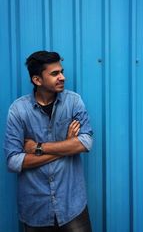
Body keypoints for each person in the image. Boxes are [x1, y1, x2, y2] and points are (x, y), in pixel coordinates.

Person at [4, 50, 93, 232]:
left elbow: (85, 142)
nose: (63, 77)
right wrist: (67, 145)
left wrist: (37, 147)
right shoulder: (18, 110)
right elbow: (13, 162)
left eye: (61, 71)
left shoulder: (73, 101)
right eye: (55, 74)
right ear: (37, 80)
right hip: (35, 208)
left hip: (72, 205)